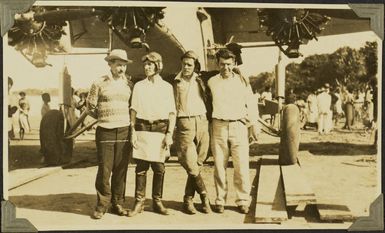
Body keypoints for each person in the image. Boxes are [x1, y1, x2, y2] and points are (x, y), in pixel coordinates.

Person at [207, 49, 260, 214]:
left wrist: (253, 125)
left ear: (235, 64)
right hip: (218, 126)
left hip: (239, 126)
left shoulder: (242, 81)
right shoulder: (211, 82)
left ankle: (243, 200)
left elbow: (251, 103)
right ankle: (220, 199)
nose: (225, 68)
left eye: (229, 64)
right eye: (222, 64)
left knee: (242, 165)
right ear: (217, 64)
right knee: (219, 166)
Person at [128, 52, 176, 216]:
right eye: (145, 64)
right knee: (141, 168)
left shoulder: (167, 87)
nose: (147, 67)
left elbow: (172, 113)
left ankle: (157, 201)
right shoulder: (139, 86)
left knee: (159, 167)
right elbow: (133, 110)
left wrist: (169, 134)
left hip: (160, 129)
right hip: (142, 127)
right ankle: (139, 202)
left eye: (150, 64)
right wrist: (132, 131)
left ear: (158, 66)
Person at [87, 49, 133, 219]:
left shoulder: (129, 84)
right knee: (105, 170)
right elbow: (90, 107)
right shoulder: (99, 83)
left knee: (121, 169)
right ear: (110, 64)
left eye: (124, 65)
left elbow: (131, 107)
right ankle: (101, 205)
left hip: (124, 129)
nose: (121, 68)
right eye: (118, 65)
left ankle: (118, 203)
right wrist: (104, 117)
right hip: (105, 130)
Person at [171, 51, 211, 214]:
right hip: (184, 122)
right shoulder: (175, 82)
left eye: (190, 64)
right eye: (184, 64)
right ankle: (204, 196)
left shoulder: (201, 80)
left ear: (195, 66)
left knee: (198, 162)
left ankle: (187, 199)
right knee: (190, 162)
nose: (186, 67)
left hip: (202, 121)